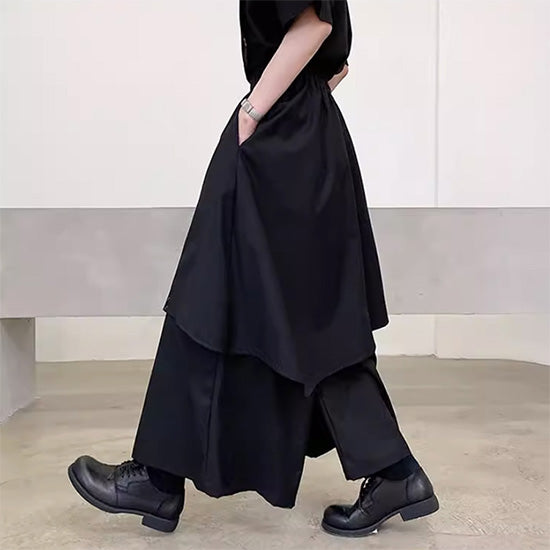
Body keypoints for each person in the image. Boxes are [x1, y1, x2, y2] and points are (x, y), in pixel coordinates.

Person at [67, 0, 439, 538]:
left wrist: (254, 110)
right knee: (302, 316)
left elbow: (313, 24)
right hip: (301, 132)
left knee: (215, 291)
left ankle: (158, 477)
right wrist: (300, 99)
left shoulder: (265, 114)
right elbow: (337, 61)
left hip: (282, 136)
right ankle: (394, 473)